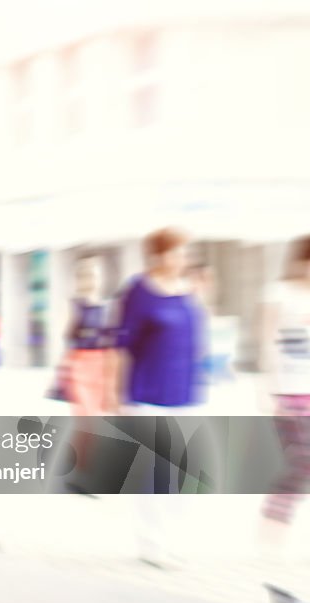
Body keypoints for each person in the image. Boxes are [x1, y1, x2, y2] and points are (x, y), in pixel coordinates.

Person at [108, 227, 206, 567]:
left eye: (185, 252)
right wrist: (118, 394)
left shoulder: (189, 291)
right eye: (177, 252)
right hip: (148, 394)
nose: (184, 259)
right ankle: (152, 543)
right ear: (158, 255)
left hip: (186, 393)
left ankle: (173, 539)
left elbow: (197, 343)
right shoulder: (138, 291)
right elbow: (121, 347)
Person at [260, 237, 310, 544]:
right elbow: (268, 341)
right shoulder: (279, 293)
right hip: (289, 389)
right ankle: (274, 516)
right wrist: (269, 388)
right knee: (302, 458)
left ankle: (275, 519)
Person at [65, 255, 111, 416]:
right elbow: (68, 335)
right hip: (81, 362)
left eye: (95, 276)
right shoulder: (75, 305)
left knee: (99, 412)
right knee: (84, 412)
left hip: (103, 363)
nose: (92, 280)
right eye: (87, 276)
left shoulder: (108, 306)